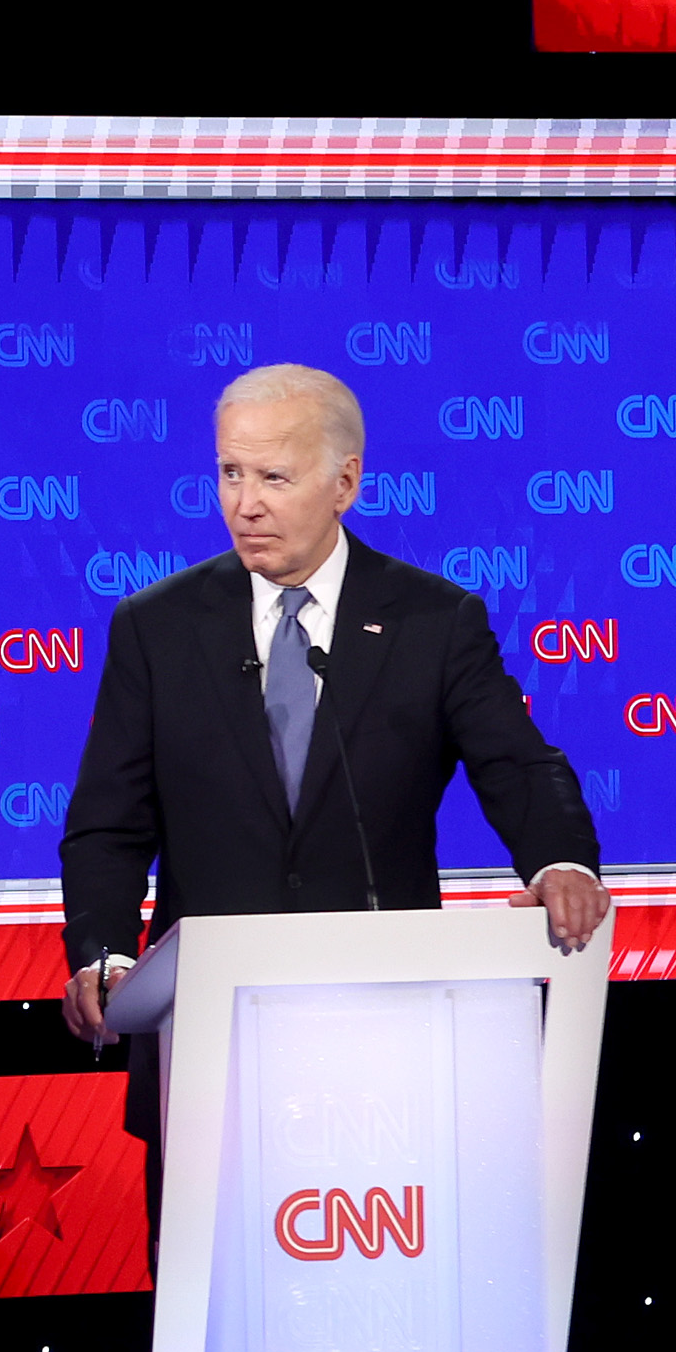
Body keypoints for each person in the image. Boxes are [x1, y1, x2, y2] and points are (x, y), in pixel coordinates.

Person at [57, 363, 609, 1220]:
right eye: (231, 473)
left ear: (346, 481)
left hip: (382, 1038)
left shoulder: (434, 621)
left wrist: (560, 859)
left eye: (273, 477)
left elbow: (517, 762)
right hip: (210, 1044)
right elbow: (107, 825)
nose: (245, 504)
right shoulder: (155, 627)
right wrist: (103, 951)